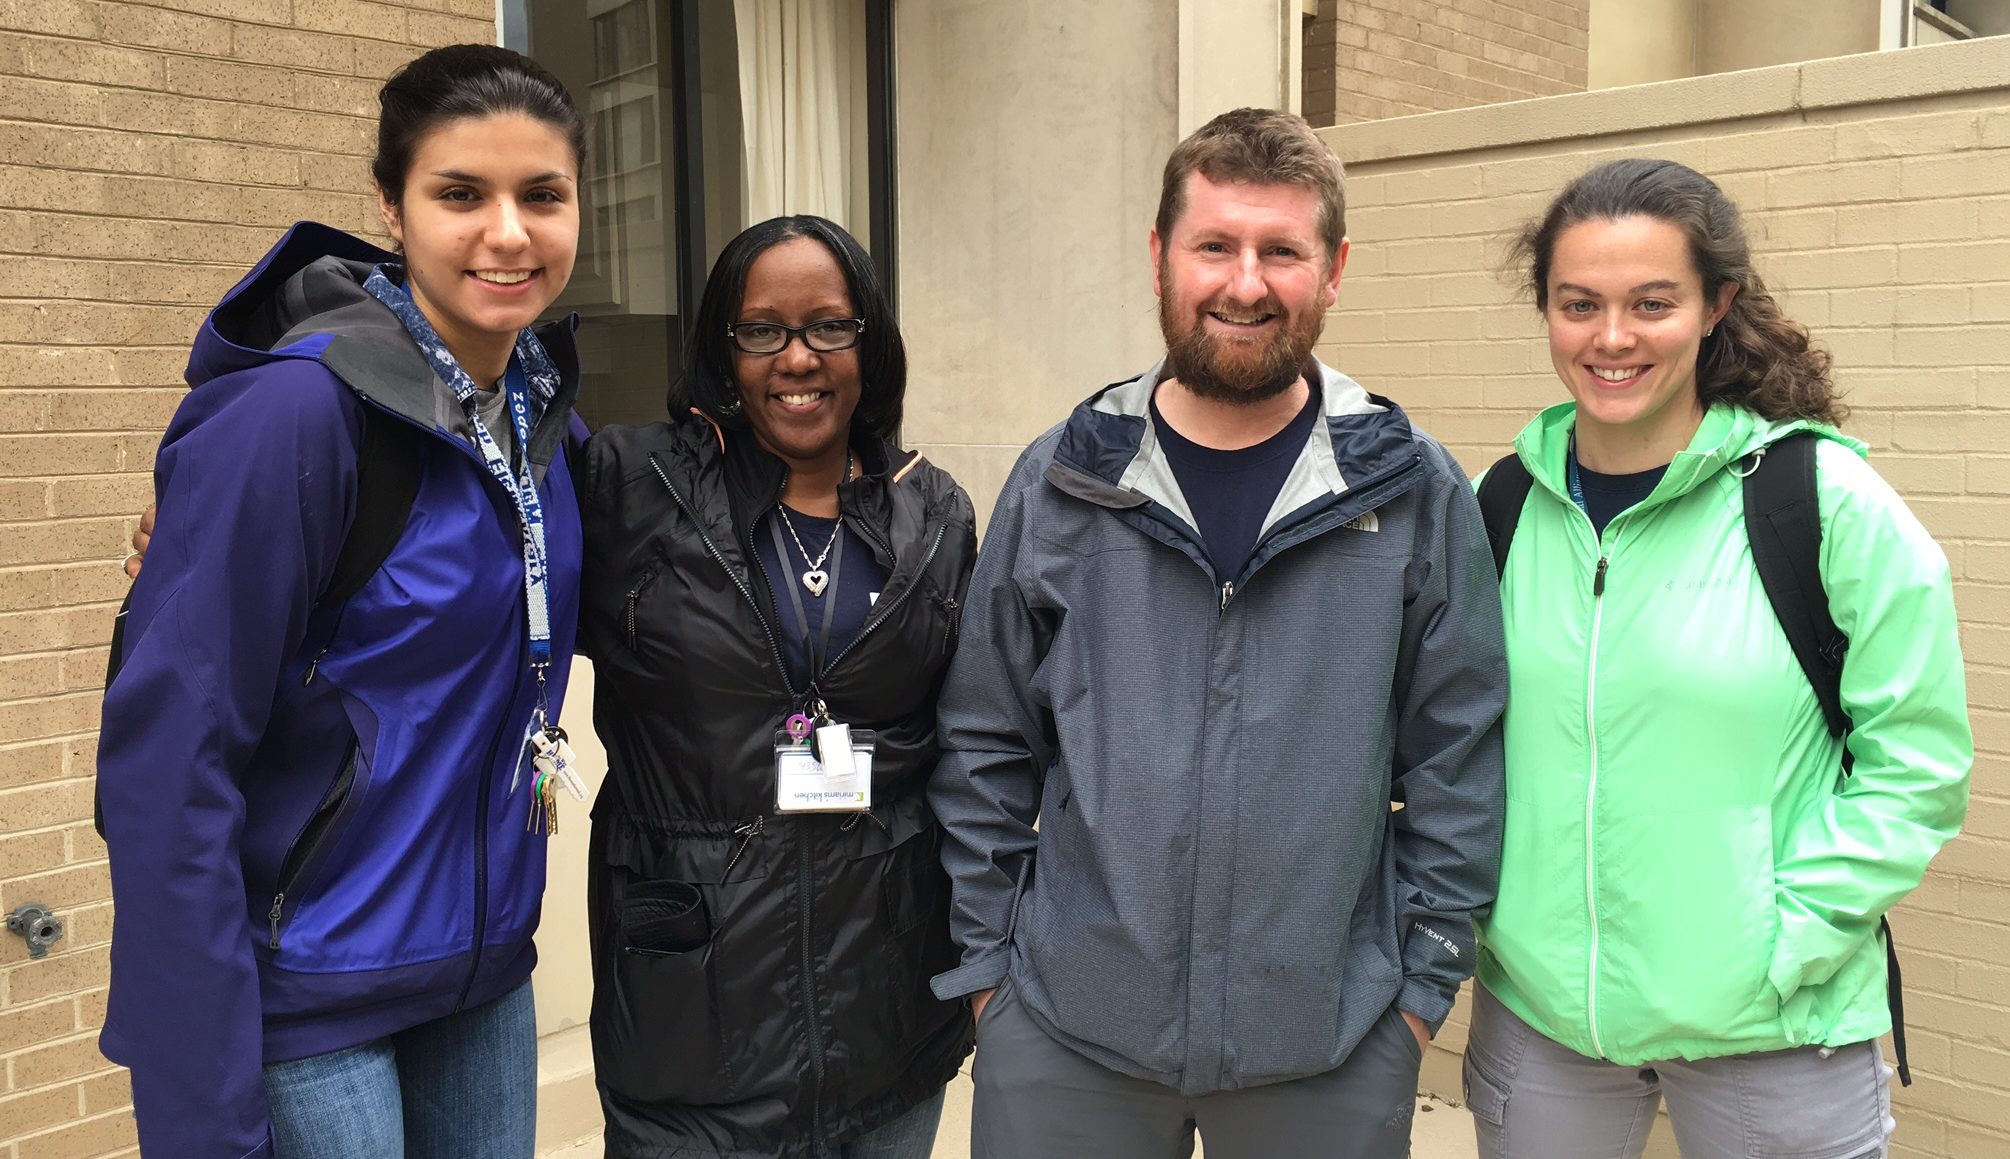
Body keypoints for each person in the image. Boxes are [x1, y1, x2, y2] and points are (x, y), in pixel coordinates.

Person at [926, 107, 1507, 1158]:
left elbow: (1459, 755)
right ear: (1159, 258)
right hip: (1068, 1038)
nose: (1246, 283)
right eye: (1215, 246)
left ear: (1333, 270)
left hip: (1329, 1045)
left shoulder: (1412, 488)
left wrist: (1418, 988)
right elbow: (983, 741)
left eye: (1281, 250)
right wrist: (989, 976)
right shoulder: (1064, 481)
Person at [97, 45, 588, 1157]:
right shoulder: (295, 418)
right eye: (460, 193)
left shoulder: (539, 418)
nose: (507, 233)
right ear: (390, 204)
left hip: (482, 979)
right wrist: (204, 1121)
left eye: (542, 195)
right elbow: (168, 771)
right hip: (312, 1002)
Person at [1463, 158, 1972, 1158]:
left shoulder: (1820, 502)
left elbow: (1918, 763)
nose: (1612, 337)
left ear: (1714, 305)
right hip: (1544, 1017)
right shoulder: (1500, 505)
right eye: (1580, 304)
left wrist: (1787, 940)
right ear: (1548, 313)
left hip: (1773, 1023)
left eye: (1653, 302)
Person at [574, 214, 976, 1157]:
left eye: (830, 327)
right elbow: (460, 534)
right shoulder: (629, 490)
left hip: (887, 1016)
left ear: (869, 343)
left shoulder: (935, 515)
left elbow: (978, 735)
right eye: (763, 330)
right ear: (725, 348)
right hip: (693, 1027)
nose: (798, 358)